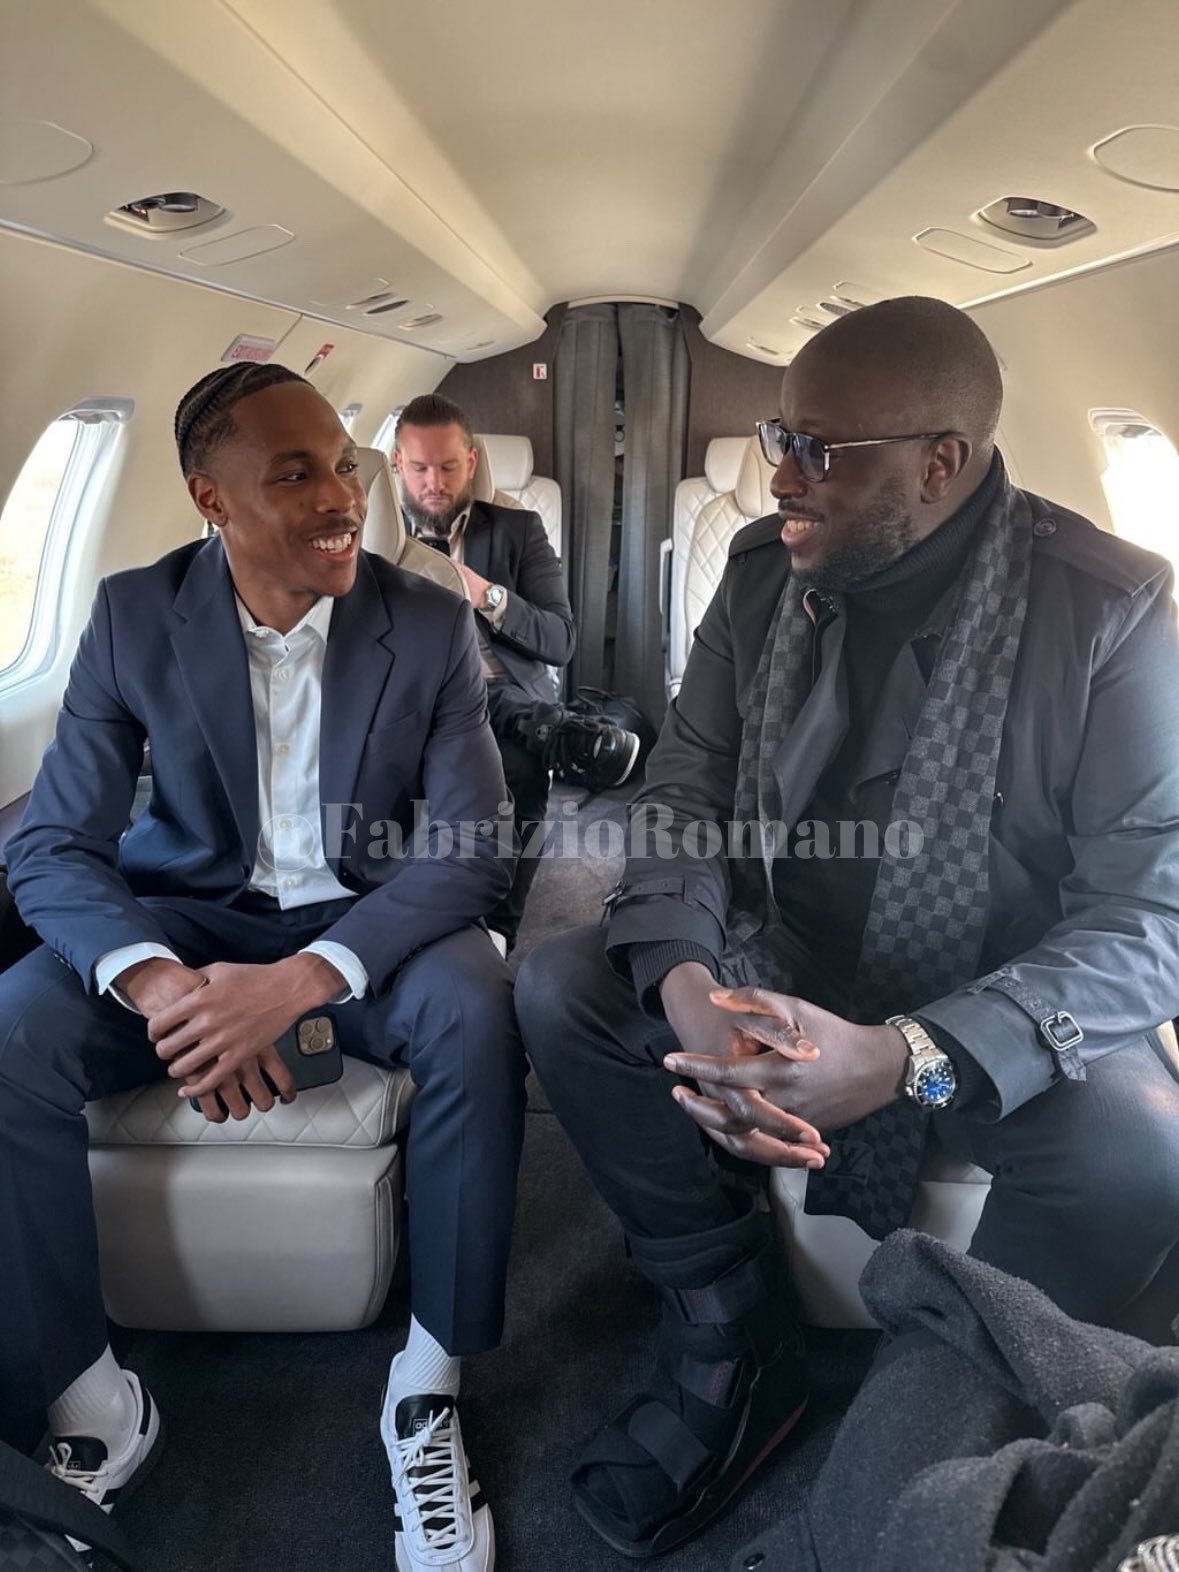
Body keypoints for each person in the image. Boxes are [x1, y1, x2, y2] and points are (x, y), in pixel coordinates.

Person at [515, 296, 1179, 1559]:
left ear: (943, 463)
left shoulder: (1111, 608)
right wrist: (691, 986)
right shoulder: (764, 574)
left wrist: (904, 1055)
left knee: (1140, 1153)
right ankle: (727, 1323)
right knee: (560, 987)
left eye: (823, 448)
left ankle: (939, 1427)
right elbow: (685, 793)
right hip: (789, 952)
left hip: (996, 993)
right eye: (781, 435)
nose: (780, 474)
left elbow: (1150, 916)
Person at [0, 363, 526, 1572]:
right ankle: (90, 1398)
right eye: (295, 474)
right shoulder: (135, 616)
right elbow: (55, 848)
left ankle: (429, 1384)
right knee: (14, 1025)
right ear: (210, 498)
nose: (342, 497)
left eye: (346, 466)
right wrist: (161, 985)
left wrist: (302, 985)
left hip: (368, 924)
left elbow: (469, 853)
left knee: (476, 1005)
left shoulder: (430, 620)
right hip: (189, 926)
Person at [392, 393, 640, 950]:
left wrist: (483, 591)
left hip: (503, 685)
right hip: (420, 693)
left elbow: (561, 640)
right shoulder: (378, 544)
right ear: (396, 466)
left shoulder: (518, 530)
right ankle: (555, 731)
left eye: (449, 467)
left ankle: (501, 928)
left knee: (521, 770)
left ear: (472, 463)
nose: (434, 482)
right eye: (420, 468)